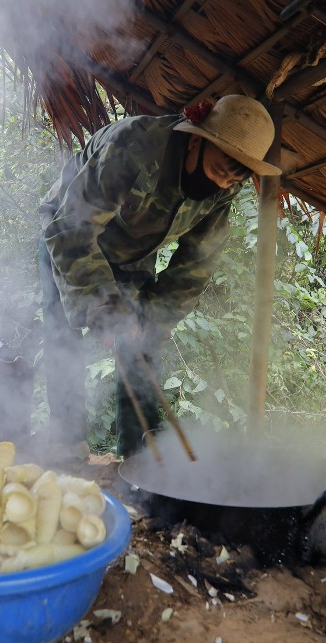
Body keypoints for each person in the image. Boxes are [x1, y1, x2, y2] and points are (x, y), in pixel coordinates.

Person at [38, 94, 281, 458]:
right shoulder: (134, 147)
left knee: (141, 344)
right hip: (68, 233)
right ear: (197, 139)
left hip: (133, 256)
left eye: (233, 178)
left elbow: (194, 267)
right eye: (217, 170)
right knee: (63, 332)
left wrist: (151, 321)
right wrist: (104, 307)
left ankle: (142, 457)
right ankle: (67, 441)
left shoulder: (224, 189)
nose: (220, 183)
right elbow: (72, 228)